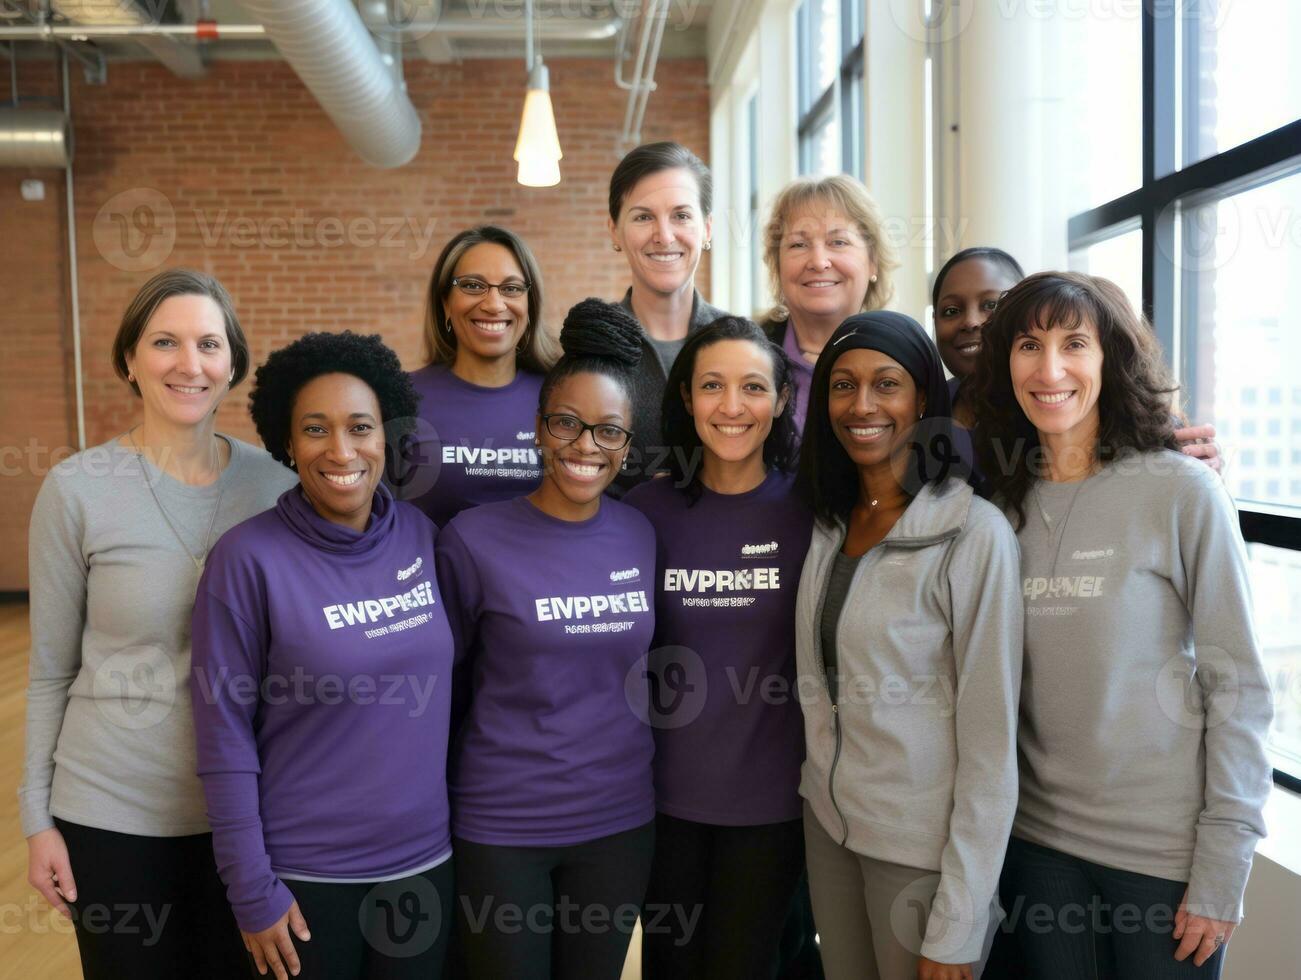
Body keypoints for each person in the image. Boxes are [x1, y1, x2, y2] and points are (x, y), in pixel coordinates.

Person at [970, 271, 1273, 978]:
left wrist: (1223, 863)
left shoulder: (1180, 489)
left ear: (1109, 358)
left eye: (1073, 343)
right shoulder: (996, 505)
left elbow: (1239, 686)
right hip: (1038, 848)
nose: (1049, 369)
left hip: (1161, 857)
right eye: (1027, 344)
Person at [20, 269, 295, 978]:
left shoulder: (278, 488)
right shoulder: (77, 488)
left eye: (208, 343)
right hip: (110, 815)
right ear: (129, 360)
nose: (189, 363)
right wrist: (37, 820)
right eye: (164, 342)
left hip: (245, 818)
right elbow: (50, 669)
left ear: (232, 361)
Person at [191, 331, 456, 980]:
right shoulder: (245, 560)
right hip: (306, 878)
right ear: (287, 442)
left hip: (424, 867)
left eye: (359, 426)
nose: (341, 450)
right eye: (315, 429)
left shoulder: (421, 537)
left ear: (385, 437)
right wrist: (250, 889)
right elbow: (222, 736)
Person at [795, 311, 1023, 980]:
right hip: (828, 831)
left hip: (921, 852)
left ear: (923, 397)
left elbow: (991, 742)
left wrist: (958, 918)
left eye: (885, 384)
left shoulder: (972, 533)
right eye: (842, 385)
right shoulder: (826, 520)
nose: (861, 405)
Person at [437, 299, 658, 980]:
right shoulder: (471, 540)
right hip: (501, 826)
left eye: (607, 431)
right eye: (566, 423)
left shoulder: (641, 533)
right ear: (538, 429)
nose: (585, 446)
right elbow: (442, 687)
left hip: (618, 824)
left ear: (626, 443)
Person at [623, 317, 811, 979]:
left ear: (783, 399)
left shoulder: (814, 508)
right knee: (670, 968)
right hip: (661, 803)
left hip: (774, 809)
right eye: (711, 385)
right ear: (685, 399)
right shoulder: (642, 513)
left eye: (752, 387)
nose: (731, 406)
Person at [931, 246, 1222, 475]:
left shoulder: (1071, 404)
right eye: (951, 311)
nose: (970, 322)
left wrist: (1198, 469)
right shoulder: (924, 410)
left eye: (991, 305)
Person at [400, 225, 559, 527]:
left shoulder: (559, 399)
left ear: (530, 305)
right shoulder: (403, 397)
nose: (493, 304)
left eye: (511, 288)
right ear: (445, 302)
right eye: (473, 285)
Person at [608, 140, 727, 493]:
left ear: (706, 229)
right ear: (614, 230)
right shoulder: (587, 350)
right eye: (644, 216)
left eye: (681, 215)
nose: (664, 235)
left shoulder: (743, 344)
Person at [759, 174, 900, 431]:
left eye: (838, 242)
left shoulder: (904, 359)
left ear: (873, 261)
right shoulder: (745, 355)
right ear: (777, 266)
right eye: (799, 244)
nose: (819, 261)